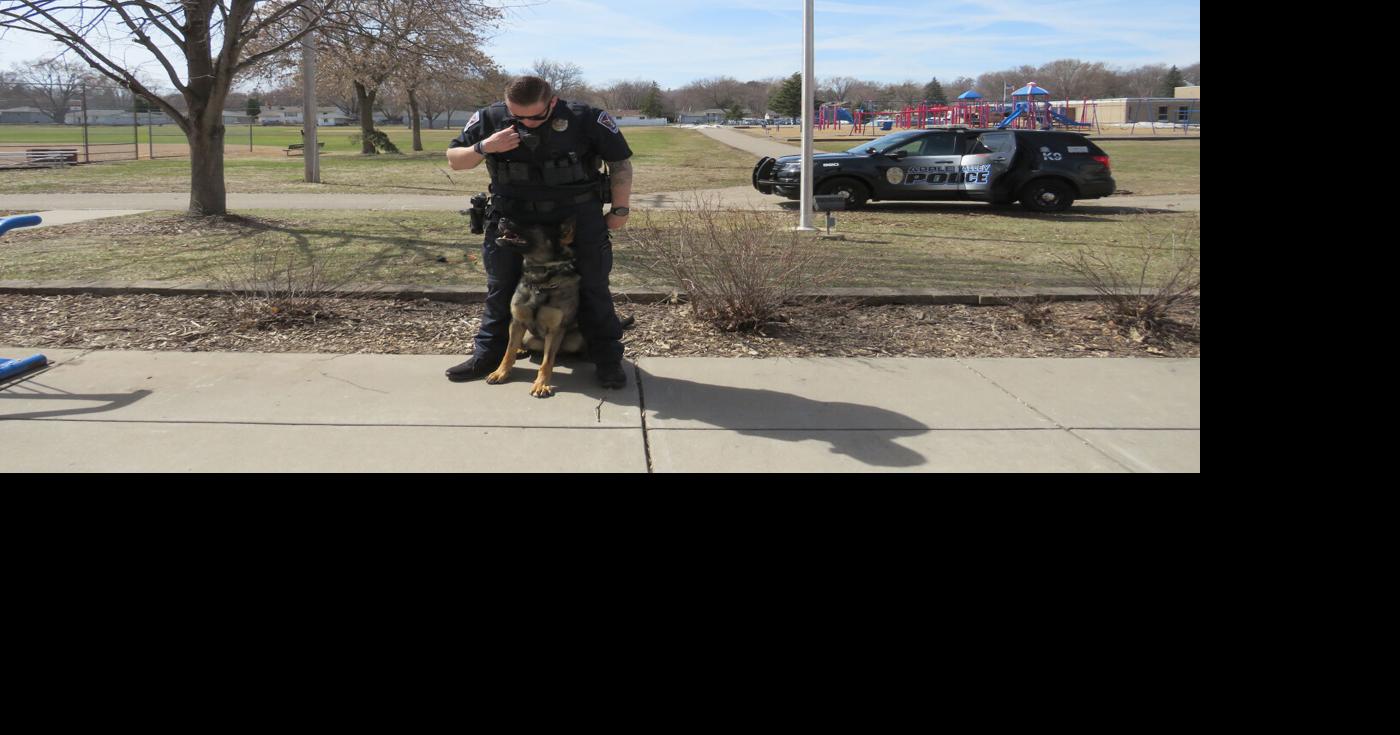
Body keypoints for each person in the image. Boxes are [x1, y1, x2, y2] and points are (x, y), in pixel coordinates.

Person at [443, 76, 633, 389]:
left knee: (593, 285)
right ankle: (488, 355)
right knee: (501, 286)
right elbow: (455, 161)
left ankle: (606, 358)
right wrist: (485, 146)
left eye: (534, 116)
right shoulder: (491, 117)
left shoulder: (586, 118)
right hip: (512, 216)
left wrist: (620, 209)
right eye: (517, 116)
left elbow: (620, 163)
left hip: (575, 216)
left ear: (552, 102)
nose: (526, 123)